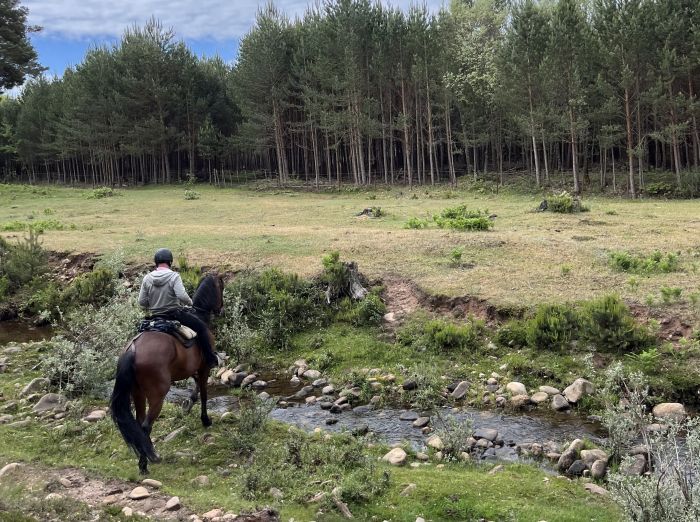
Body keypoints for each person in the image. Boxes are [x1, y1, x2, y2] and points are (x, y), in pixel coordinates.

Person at [138, 248, 219, 368]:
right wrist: (190, 302)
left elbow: (142, 302)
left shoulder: (147, 278)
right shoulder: (174, 276)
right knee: (202, 328)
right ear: (170, 262)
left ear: (156, 262)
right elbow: (181, 295)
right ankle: (210, 359)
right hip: (174, 314)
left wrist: (153, 304)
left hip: (155, 316)